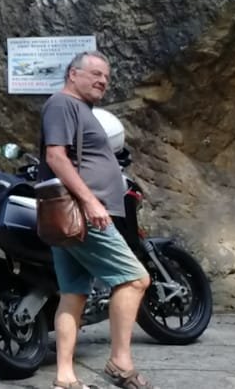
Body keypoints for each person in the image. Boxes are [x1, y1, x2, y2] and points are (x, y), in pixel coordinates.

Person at [40, 52, 153, 389]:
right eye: (96, 74)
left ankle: (65, 378)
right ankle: (120, 362)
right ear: (73, 74)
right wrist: (90, 201)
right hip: (83, 214)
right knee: (135, 279)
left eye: (106, 76)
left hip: (72, 217)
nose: (103, 80)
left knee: (73, 294)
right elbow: (55, 156)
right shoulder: (62, 104)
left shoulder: (80, 109)